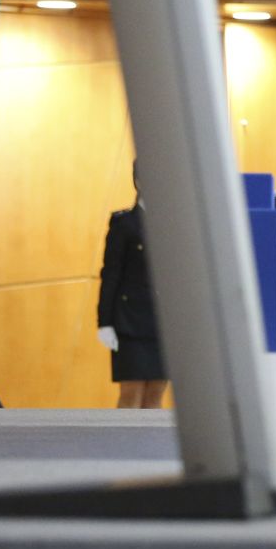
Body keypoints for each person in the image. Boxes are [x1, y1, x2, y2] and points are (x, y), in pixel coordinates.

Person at [96, 163, 169, 409]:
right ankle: (123, 437)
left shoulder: (172, 223)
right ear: (138, 181)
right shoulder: (125, 224)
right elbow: (111, 275)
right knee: (132, 392)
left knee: (156, 392)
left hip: (162, 322)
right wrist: (104, 322)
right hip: (130, 322)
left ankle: (150, 438)